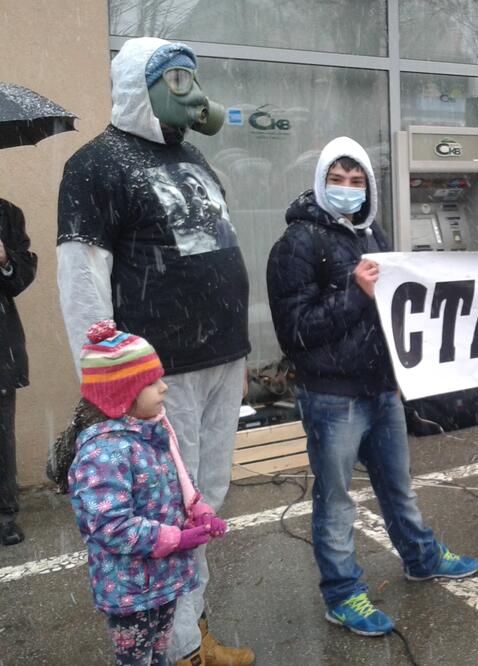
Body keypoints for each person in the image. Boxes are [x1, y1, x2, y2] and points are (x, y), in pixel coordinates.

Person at [56, 37, 252, 665]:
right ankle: (176, 648)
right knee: (166, 510)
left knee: (206, 500)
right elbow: (82, 279)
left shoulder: (194, 157)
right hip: (159, 376)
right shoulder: (96, 165)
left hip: (221, 361)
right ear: (143, 85)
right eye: (177, 77)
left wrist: (240, 356)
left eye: (193, 75)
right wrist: (108, 387)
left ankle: (189, 633)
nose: (190, 89)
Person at [267, 136, 478, 636]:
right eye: (337, 180)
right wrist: (356, 294)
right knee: (337, 499)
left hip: (380, 385)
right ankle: (341, 594)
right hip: (332, 395)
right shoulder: (298, 244)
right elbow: (296, 330)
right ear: (321, 183)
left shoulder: (371, 233)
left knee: (396, 485)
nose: (347, 189)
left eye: (356, 180)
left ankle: (420, 556)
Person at [68, 321, 227, 666]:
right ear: (121, 394)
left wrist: (199, 511)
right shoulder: (104, 454)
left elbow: (176, 483)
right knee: (137, 660)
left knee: (159, 655)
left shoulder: (151, 434)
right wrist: (176, 538)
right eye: (151, 382)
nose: (164, 388)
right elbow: (111, 527)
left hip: (162, 581)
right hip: (130, 590)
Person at [0, 199, 37, 546]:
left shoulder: (7, 214)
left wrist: (5, 260)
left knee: (0, 435)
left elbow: (22, 275)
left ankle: (4, 516)